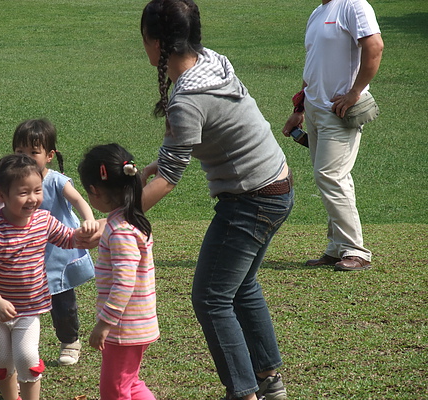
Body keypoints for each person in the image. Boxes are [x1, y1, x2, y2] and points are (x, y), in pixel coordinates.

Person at [139, 1, 293, 399]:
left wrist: (122, 215)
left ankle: (243, 392)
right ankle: (269, 382)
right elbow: (213, 130)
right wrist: (156, 164)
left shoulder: (186, 99)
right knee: (240, 287)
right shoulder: (211, 61)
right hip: (276, 183)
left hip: (252, 200)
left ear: (156, 43)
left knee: (210, 297)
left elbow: (172, 180)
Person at [0, 153, 98, 400]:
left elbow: (69, 238)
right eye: (23, 193)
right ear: (0, 196)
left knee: (27, 357)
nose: (33, 199)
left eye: (37, 190)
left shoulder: (43, 220)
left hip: (30, 307)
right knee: (3, 362)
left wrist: (87, 234)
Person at [282, 0, 383, 272]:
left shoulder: (353, 5)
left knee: (331, 176)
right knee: (327, 177)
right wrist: (299, 109)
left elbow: (374, 47)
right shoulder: (318, 13)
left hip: (339, 110)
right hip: (315, 109)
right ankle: (337, 247)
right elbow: (313, 66)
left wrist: (355, 92)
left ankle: (356, 250)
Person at [78, 143, 159, 400]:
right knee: (130, 383)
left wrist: (104, 324)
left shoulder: (120, 230)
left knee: (114, 390)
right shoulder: (129, 218)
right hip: (135, 323)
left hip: (124, 327)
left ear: (94, 190)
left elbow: (124, 283)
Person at [12, 119, 96, 366]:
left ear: (49, 156)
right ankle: (26, 348)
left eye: (33, 152)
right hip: (27, 255)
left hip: (58, 253)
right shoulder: (12, 179)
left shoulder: (56, 180)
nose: (26, 158)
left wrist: (88, 220)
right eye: (20, 152)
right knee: (26, 306)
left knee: (63, 305)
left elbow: (79, 201)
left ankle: (69, 340)